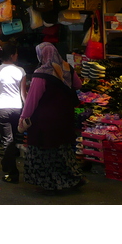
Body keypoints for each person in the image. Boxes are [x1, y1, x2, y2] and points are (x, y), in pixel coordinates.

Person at [18, 42, 85, 192]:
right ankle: (71, 178)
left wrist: (24, 117)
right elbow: (79, 85)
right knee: (63, 148)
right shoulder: (67, 68)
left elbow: (32, 100)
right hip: (65, 116)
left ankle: (51, 184)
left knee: (46, 150)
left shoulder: (41, 74)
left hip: (45, 120)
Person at [0, 43, 27, 183]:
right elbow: (23, 94)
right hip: (17, 108)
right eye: (16, 53)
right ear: (11, 56)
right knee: (13, 140)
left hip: (3, 108)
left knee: (7, 141)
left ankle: (11, 171)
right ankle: (9, 168)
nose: (17, 56)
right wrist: (28, 109)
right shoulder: (21, 71)